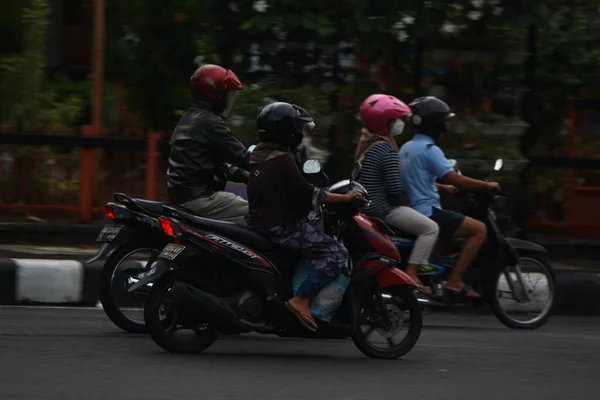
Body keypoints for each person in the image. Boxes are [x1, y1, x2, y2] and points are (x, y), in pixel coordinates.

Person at [246, 102, 363, 332]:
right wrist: (346, 199)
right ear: (285, 129)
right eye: (297, 128)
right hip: (281, 227)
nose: (300, 134)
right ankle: (301, 299)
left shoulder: (259, 153)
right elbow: (311, 193)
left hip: (258, 223)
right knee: (336, 252)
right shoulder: (282, 159)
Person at [399, 96, 501, 300]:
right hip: (428, 212)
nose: (446, 125)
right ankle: (455, 281)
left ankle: (429, 277)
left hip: (413, 210)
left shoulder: (407, 148)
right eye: (444, 120)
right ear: (435, 123)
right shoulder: (431, 150)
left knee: (447, 234)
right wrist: (486, 185)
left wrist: (443, 188)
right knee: (479, 230)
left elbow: (415, 179)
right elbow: (457, 179)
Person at [356, 94, 440, 293]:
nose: (400, 123)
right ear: (384, 123)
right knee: (431, 229)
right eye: (396, 120)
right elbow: (394, 190)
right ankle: (412, 272)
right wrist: (407, 203)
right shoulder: (386, 149)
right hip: (381, 208)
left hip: (367, 206)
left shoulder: (369, 144)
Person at [166, 64, 250, 225]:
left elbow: (213, 164)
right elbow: (243, 157)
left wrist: (247, 176)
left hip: (183, 196)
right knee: (263, 215)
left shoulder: (188, 119)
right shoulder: (210, 122)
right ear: (216, 94)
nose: (230, 100)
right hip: (201, 198)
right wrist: (272, 162)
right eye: (228, 94)